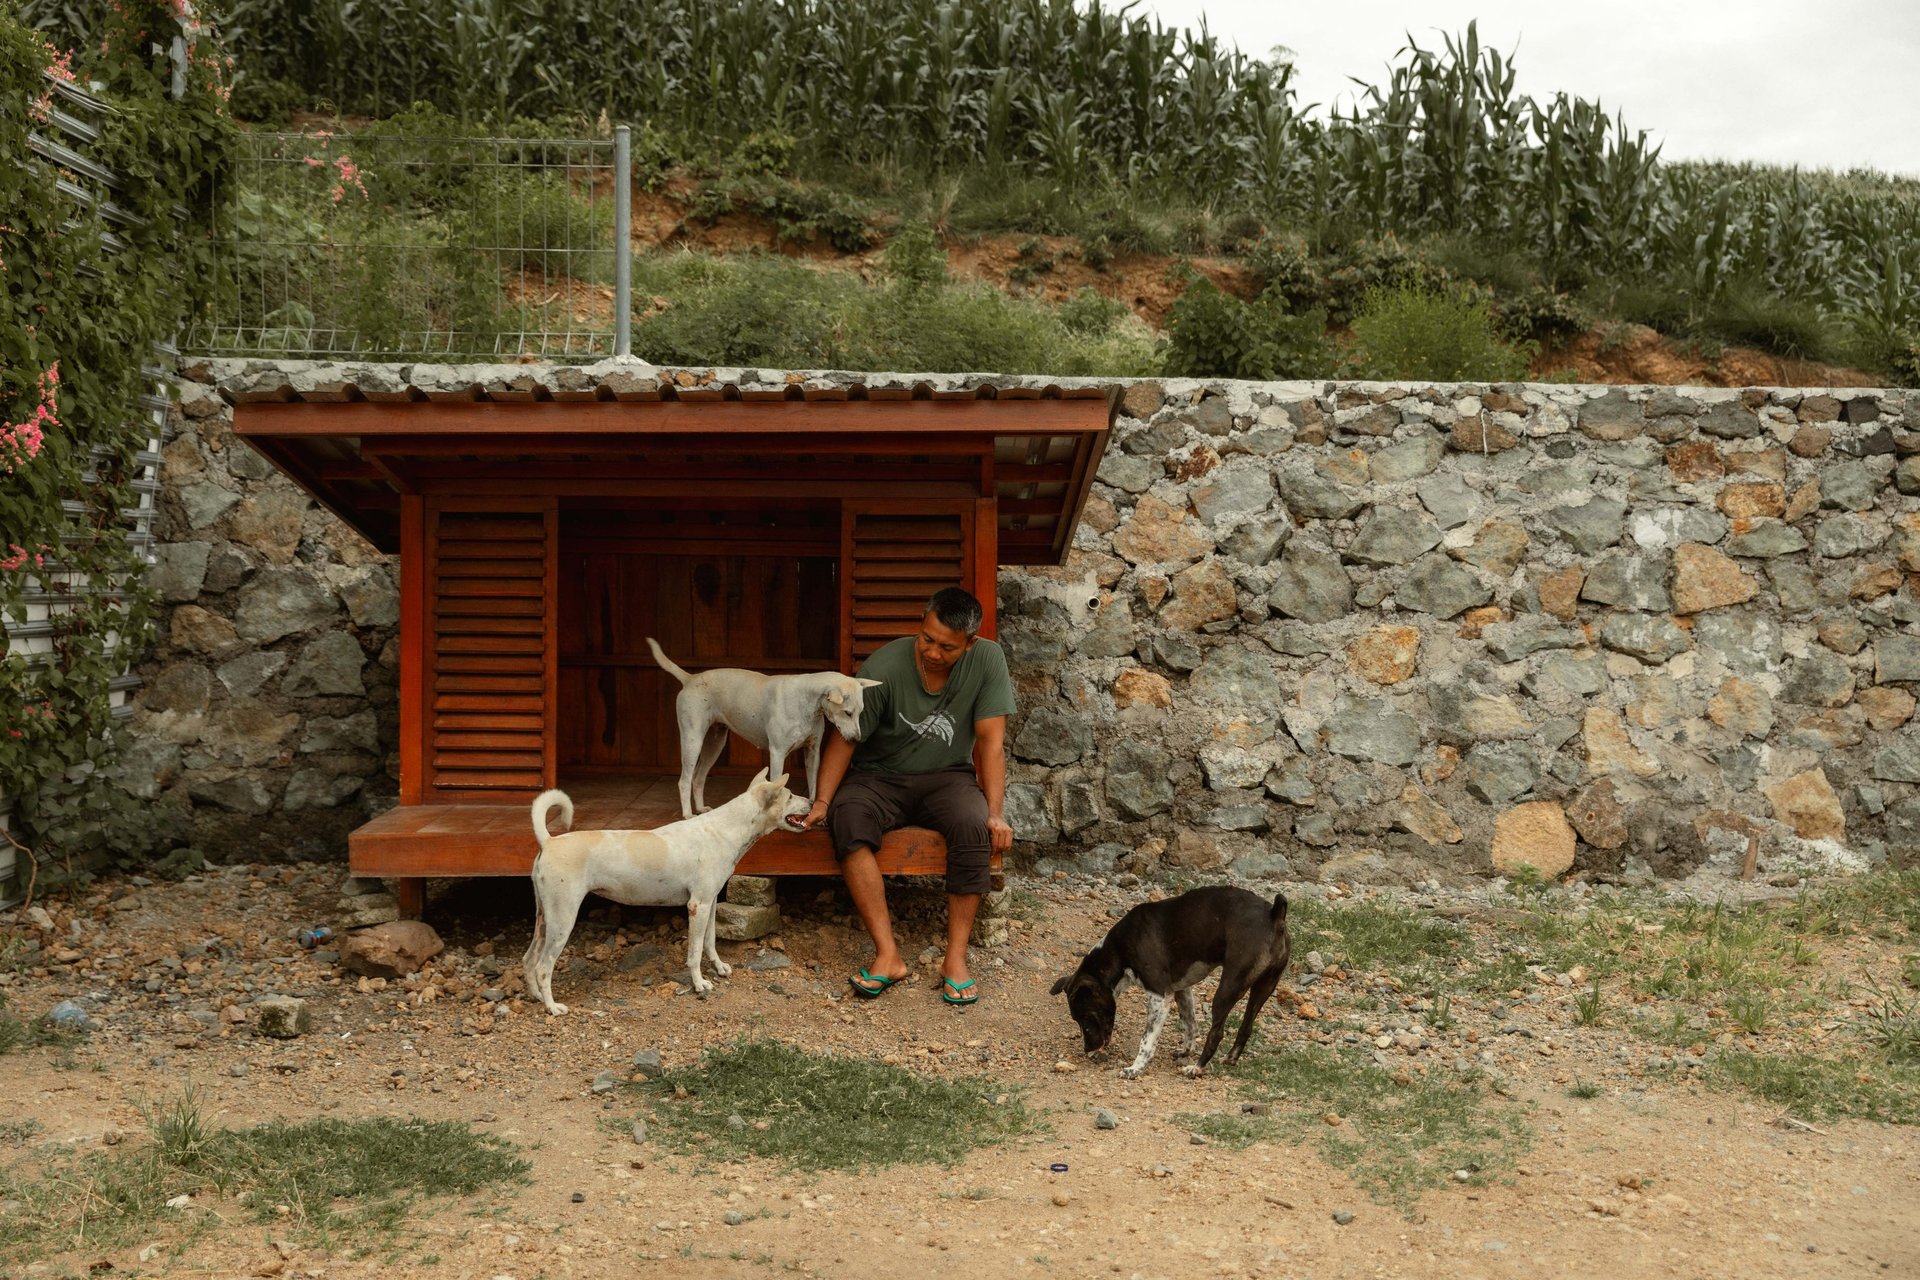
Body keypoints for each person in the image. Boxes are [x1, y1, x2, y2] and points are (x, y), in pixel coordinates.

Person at [803, 586, 1015, 1006]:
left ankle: (955, 959)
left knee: (973, 824)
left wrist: (995, 813)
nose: (933, 653)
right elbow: (846, 739)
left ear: (970, 643)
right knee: (848, 818)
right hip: (879, 776)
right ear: (921, 625)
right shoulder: (883, 667)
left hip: (948, 776)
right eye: (927, 639)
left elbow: (991, 742)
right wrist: (823, 802)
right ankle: (887, 955)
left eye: (947, 647)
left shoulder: (988, 660)